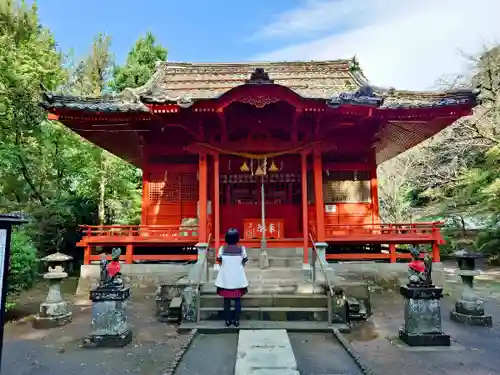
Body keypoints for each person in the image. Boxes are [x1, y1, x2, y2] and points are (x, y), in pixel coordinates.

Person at [214, 228, 249, 327]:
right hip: (238, 279)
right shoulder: (241, 249)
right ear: (237, 238)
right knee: (237, 300)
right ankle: (236, 320)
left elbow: (219, 261)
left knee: (227, 300)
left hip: (226, 279)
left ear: (226, 238)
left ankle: (228, 320)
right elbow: (244, 261)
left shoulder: (222, 249)